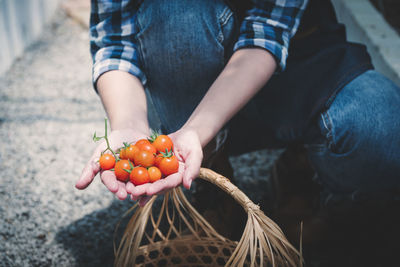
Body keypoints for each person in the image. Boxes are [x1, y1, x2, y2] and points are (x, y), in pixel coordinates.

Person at [75, 0, 400, 227]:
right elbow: (115, 43)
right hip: (197, 81)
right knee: (177, 11)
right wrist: (129, 125)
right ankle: (210, 186)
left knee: (380, 129)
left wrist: (195, 129)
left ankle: (302, 164)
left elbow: (267, 31)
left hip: (305, 63)